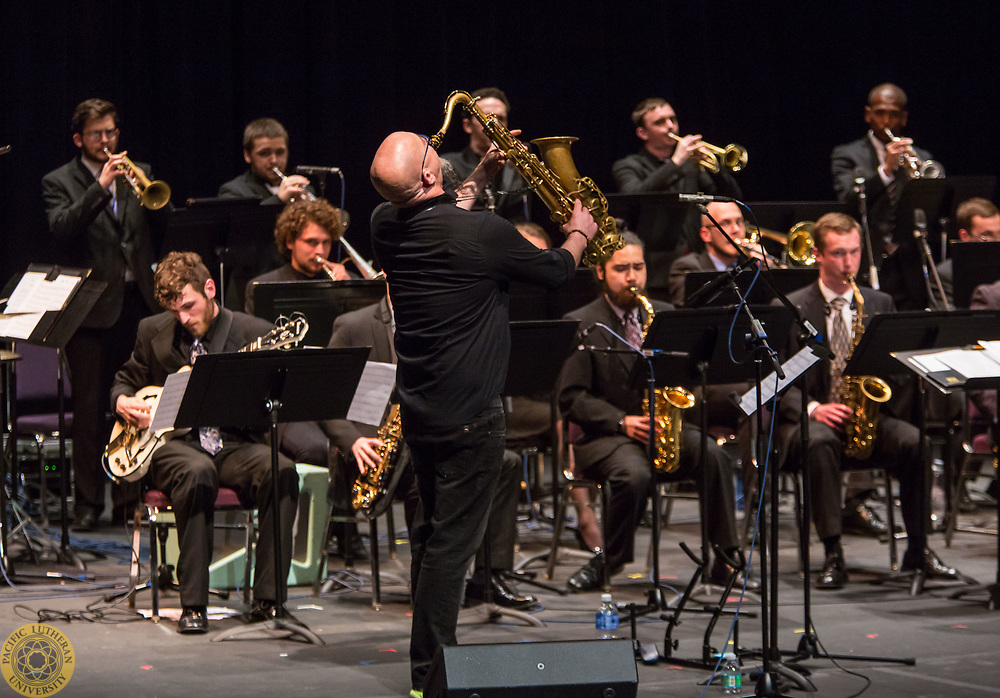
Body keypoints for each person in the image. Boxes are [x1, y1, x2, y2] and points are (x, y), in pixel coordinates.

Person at [368, 130, 596, 697]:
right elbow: (554, 272)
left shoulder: (383, 224)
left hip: (422, 411)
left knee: (428, 535)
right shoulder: (486, 233)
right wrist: (580, 234)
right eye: (428, 148)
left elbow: (446, 217)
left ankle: (428, 668)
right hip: (471, 416)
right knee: (452, 548)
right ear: (427, 175)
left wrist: (477, 180)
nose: (435, 144)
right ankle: (431, 677)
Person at [110, 251, 299, 633]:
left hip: (231, 442)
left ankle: (269, 599)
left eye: (190, 306)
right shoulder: (153, 330)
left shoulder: (253, 332)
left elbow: (270, 405)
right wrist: (121, 401)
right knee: (197, 472)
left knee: (281, 470)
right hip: (173, 448)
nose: (183, 318)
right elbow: (124, 380)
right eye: (175, 310)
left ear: (210, 289)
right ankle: (193, 604)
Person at [558, 231, 752, 593]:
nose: (632, 277)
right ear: (600, 273)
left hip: (661, 427)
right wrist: (623, 421)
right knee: (633, 473)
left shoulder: (663, 314)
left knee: (713, 455)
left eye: (639, 267)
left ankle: (725, 559)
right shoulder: (583, 321)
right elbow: (571, 398)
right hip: (606, 435)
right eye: (621, 269)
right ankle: (609, 559)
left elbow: (687, 373)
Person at [773, 212, 958, 589]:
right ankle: (833, 551)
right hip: (812, 422)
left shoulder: (879, 301)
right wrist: (814, 409)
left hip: (866, 415)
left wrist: (878, 399)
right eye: (839, 253)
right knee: (820, 443)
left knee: (916, 444)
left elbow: (895, 368)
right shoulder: (790, 309)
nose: (848, 263)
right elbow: (776, 381)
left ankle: (918, 549)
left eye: (854, 253)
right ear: (819, 256)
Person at [42, 98, 159, 531]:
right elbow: (62, 228)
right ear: (79, 139)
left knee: (135, 406)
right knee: (90, 411)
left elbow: (152, 230)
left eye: (111, 132)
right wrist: (100, 188)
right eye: (97, 134)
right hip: (89, 311)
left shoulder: (138, 171)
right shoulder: (59, 181)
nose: (107, 141)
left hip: (136, 303)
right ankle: (88, 504)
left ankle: (129, 499)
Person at [612, 98, 742, 296]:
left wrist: (717, 168)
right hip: (656, 270)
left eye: (672, 119)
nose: (670, 126)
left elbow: (729, 199)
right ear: (642, 133)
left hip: (697, 264)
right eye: (660, 122)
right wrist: (675, 162)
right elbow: (634, 195)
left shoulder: (690, 165)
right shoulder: (629, 166)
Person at [830, 83, 942, 309]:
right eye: (880, 113)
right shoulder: (847, 154)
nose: (887, 121)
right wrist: (886, 171)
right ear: (868, 115)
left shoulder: (921, 156)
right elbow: (847, 200)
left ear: (904, 118)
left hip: (910, 265)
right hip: (869, 259)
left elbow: (933, 208)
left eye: (894, 114)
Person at [244, 197, 351, 316]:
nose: (320, 251)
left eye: (326, 242)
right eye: (311, 241)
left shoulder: (345, 281)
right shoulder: (261, 287)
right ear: (290, 241)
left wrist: (349, 289)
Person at [440, 87, 530, 223]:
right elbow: (446, 216)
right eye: (488, 118)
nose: (496, 125)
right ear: (467, 126)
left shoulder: (516, 167)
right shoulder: (447, 164)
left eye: (501, 118)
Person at [667, 200, 764, 306]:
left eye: (739, 222)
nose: (736, 229)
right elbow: (685, 311)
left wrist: (767, 272)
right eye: (725, 223)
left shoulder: (752, 267)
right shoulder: (687, 267)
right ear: (706, 234)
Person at [218, 118, 313, 204]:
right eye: (264, 153)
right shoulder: (233, 192)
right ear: (247, 155)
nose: (274, 160)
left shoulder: (303, 189)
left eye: (280, 152)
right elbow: (245, 222)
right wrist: (278, 199)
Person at [936, 198, 1000, 307]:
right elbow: (948, 321)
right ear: (964, 236)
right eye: (986, 236)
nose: (997, 241)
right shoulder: (946, 274)